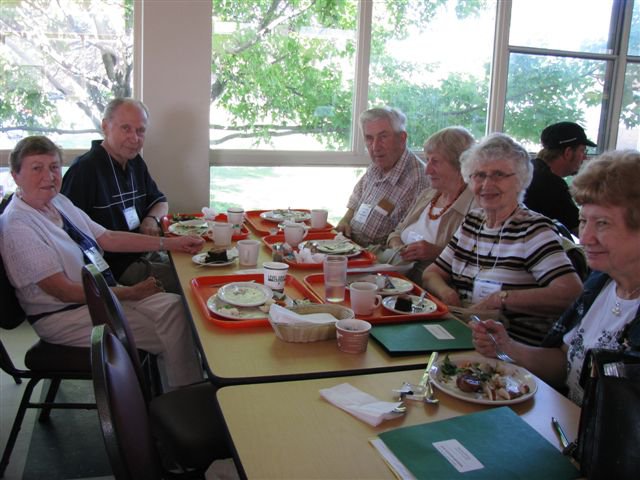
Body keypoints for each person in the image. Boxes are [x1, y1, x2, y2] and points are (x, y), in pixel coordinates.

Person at [0, 136, 205, 389]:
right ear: (15, 175)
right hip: (65, 315)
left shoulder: (58, 202)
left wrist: (172, 243)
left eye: (54, 167)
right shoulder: (18, 226)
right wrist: (130, 292)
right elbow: (62, 291)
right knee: (177, 333)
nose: (49, 176)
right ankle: (184, 402)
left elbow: (107, 238)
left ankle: (174, 390)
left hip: (100, 296)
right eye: (36, 168)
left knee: (175, 307)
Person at [472, 149, 640, 405]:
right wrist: (507, 346)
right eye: (583, 221)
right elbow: (564, 363)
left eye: (603, 223)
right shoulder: (600, 284)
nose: (585, 238)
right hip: (563, 425)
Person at [422, 133, 583, 345]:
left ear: (521, 180)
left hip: (509, 349)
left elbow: (570, 293)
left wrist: (501, 299)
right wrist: (447, 292)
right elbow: (432, 273)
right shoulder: (474, 222)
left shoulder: (533, 230)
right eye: (478, 175)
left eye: (498, 175)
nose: (486, 184)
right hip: (463, 334)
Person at [61, 98, 176, 291]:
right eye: (126, 128)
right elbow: (71, 235)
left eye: (141, 130)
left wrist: (151, 219)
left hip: (143, 253)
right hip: (114, 269)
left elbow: (160, 201)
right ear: (105, 126)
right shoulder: (85, 170)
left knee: (195, 263)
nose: (135, 138)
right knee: (187, 280)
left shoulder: (135, 162)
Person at [383, 126, 477, 283]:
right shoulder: (428, 195)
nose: (427, 170)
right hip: (398, 277)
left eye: (436, 162)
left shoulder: (474, 207)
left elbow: (476, 265)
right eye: (427, 160)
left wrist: (438, 253)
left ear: (460, 165)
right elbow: (396, 232)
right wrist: (398, 246)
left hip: (427, 288)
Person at [336, 107, 428, 247]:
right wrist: (344, 222)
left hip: (378, 260)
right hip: (351, 246)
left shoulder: (419, 180)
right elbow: (354, 204)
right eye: (369, 138)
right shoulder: (377, 165)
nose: (375, 147)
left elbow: (403, 244)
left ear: (402, 138)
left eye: (383, 137)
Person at [524, 121, 596, 234]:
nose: (585, 157)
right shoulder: (552, 184)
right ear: (568, 153)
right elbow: (582, 231)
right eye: (582, 151)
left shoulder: (528, 170)